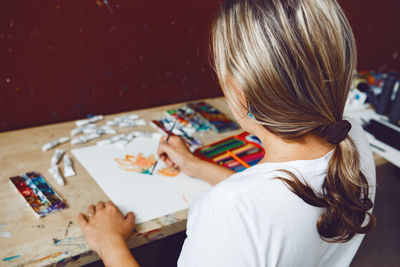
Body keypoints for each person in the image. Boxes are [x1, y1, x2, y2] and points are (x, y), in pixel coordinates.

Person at [77, 0, 376, 266]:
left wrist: (109, 244)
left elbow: (256, 211)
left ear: (241, 91)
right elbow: (273, 205)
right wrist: (195, 166)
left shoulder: (229, 211)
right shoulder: (353, 141)